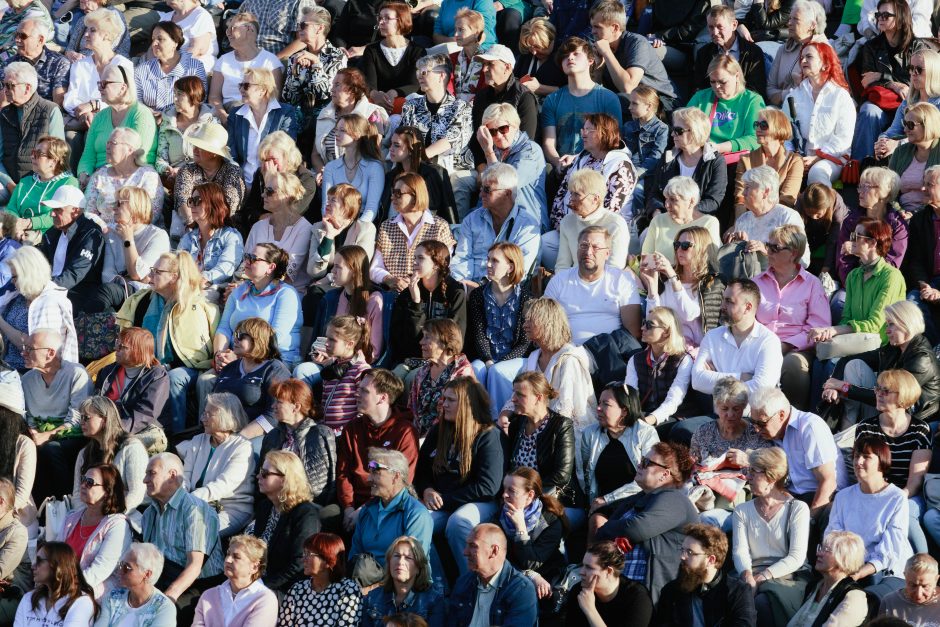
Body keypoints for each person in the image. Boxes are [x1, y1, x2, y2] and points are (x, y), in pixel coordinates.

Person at [115, 251, 218, 434]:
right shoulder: (142, 301)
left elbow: (197, 352)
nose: (150, 275)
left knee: (174, 377)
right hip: (149, 363)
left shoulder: (194, 305)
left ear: (173, 277)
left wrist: (164, 367)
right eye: (152, 270)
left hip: (189, 367)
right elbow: (130, 337)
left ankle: (175, 435)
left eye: (157, 272)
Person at [415, 377, 504, 577]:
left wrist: (444, 500)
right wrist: (427, 490)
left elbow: (488, 487)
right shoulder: (439, 430)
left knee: (459, 522)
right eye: (444, 398)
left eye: (450, 400)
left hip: (479, 502)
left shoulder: (488, 435)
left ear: (467, 404)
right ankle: (433, 584)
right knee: (417, 520)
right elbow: (421, 473)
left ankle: (470, 583)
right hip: (441, 501)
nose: (443, 404)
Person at [594, 441, 699, 603]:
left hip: (650, 595)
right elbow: (601, 534)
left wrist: (620, 533)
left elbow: (636, 529)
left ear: (665, 474)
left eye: (646, 462)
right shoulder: (638, 498)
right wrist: (620, 534)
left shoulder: (675, 499)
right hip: (620, 588)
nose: (639, 464)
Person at [852, 370, 932, 554]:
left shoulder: (920, 430)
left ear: (903, 396)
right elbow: (862, 471)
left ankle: (923, 564)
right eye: (877, 389)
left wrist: (897, 497)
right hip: (873, 492)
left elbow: (916, 480)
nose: (878, 394)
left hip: (908, 495)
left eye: (885, 391)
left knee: (906, 514)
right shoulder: (866, 428)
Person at [824, 301, 940, 426]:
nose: (886, 331)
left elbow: (892, 398)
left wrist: (843, 387)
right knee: (855, 365)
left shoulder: (922, 358)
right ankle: (848, 428)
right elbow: (847, 359)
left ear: (906, 324)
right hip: (886, 410)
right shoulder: (895, 348)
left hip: (910, 421)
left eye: (891, 325)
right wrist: (833, 386)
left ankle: (853, 434)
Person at [733, 447, 812, 627]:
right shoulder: (742, 510)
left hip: (788, 577)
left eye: (754, 471)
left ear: (772, 477)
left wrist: (761, 578)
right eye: (748, 470)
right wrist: (747, 576)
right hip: (749, 574)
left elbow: (797, 557)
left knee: (760, 603)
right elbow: (740, 551)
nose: (748, 476)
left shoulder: (797, 508)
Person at [754, 225, 831, 410]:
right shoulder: (755, 282)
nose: (768, 251)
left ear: (793, 253)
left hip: (796, 348)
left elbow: (819, 326)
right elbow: (747, 317)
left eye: (775, 248)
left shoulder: (812, 284)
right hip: (759, 344)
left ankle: (792, 414)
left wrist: (786, 345)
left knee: (793, 366)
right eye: (768, 245)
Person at [141, 452, 224, 618]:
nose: (145, 480)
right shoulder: (149, 513)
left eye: (152, 473)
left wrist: (167, 598)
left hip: (199, 584)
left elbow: (194, 565)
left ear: (171, 476)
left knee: (161, 615)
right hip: (163, 576)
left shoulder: (195, 510)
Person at [827, 436, 911, 596]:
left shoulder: (896, 498)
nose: (858, 462)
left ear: (881, 462)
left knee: (866, 598)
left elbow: (891, 551)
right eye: (857, 456)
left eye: (866, 457)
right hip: (848, 567)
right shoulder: (843, 496)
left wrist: (857, 574)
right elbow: (832, 537)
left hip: (886, 572)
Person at [495, 297, 596, 429]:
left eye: (530, 320)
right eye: (525, 320)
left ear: (547, 323)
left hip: (565, 433)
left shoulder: (569, 360)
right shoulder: (533, 358)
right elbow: (517, 394)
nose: (525, 325)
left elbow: (565, 411)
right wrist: (504, 415)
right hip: (535, 426)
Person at [338, 369, 419, 530]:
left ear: (383, 398)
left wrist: (364, 511)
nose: (356, 394)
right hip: (352, 505)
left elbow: (401, 481)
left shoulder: (405, 432)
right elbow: (343, 473)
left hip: (387, 505)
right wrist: (348, 508)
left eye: (364, 391)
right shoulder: (352, 428)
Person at [750, 387, 846, 521]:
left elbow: (828, 481)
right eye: (753, 422)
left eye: (761, 423)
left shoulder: (810, 427)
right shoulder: (768, 434)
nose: (756, 428)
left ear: (781, 415)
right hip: (792, 496)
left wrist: (809, 521)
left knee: (827, 517)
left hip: (825, 496)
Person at [812, 218, 907, 350]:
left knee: (830, 363)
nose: (851, 240)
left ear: (872, 243)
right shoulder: (853, 276)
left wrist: (835, 330)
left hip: (880, 346)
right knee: (821, 356)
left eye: (856, 236)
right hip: (856, 340)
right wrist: (831, 332)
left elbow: (875, 326)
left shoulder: (891, 276)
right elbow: (846, 318)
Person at [22, 329, 93, 505]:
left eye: (30, 349)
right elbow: (29, 416)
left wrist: (46, 435)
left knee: (51, 449)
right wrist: (33, 433)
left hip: (71, 433)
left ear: (50, 353)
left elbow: (76, 419)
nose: (23, 352)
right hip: (39, 433)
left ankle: (66, 503)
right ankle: (33, 508)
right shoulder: (27, 379)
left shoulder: (76, 374)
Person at [582, 382, 660, 540]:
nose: (598, 408)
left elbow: (649, 479)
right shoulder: (590, 433)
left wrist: (607, 499)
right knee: (597, 523)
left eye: (606, 404)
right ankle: (589, 564)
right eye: (599, 403)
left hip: (635, 500)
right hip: (601, 503)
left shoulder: (645, 433)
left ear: (624, 410)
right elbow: (583, 473)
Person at [689, 378, 771, 528]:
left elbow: (770, 473)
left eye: (736, 409)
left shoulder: (756, 435)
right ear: (716, 407)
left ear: (744, 407)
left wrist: (748, 460)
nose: (731, 415)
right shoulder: (703, 432)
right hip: (705, 491)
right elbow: (693, 464)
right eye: (725, 409)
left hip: (740, 497)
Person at [851, 0, 925, 162]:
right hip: (882, 103)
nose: (880, 18)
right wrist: (892, 83)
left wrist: (881, 76)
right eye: (878, 15)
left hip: (910, 103)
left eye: (886, 15)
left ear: (900, 18)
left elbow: (915, 82)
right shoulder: (871, 47)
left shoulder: (917, 46)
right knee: (868, 111)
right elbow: (867, 81)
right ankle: (859, 165)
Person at [212, 243, 301, 376]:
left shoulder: (286, 294)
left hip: (274, 361)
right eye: (247, 256)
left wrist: (241, 359)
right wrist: (219, 356)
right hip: (236, 358)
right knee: (205, 380)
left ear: (270, 267)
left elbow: (274, 338)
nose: (247, 261)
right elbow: (224, 328)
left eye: (254, 258)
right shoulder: (239, 291)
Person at [544, 226, 642, 344]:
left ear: (607, 254)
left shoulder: (621, 280)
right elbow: (546, 323)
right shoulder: (559, 280)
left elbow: (633, 332)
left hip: (610, 353)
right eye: (584, 246)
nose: (588, 252)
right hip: (568, 353)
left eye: (596, 247)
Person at [177, 392, 256, 537]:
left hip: (230, 509)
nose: (203, 419)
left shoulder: (242, 447)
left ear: (224, 417)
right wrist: (180, 497)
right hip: (196, 503)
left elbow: (224, 485)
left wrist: (187, 500)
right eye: (203, 413)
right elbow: (185, 476)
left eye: (208, 414)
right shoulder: (198, 440)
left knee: (197, 532)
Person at [451, 163, 540, 285]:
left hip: (505, 291)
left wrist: (483, 288)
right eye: (481, 188)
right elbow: (462, 258)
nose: (481, 194)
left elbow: (520, 269)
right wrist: (462, 286)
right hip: (469, 287)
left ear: (507, 193)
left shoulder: (527, 226)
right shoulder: (471, 220)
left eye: (487, 190)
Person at [540, 38, 620, 174]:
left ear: (590, 60)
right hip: (562, 168)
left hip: (597, 169)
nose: (570, 57)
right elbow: (549, 142)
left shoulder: (608, 98)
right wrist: (557, 162)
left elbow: (614, 142)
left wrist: (578, 159)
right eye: (565, 56)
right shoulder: (552, 100)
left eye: (576, 54)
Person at [691, 278, 784, 396]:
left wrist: (715, 378)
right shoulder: (711, 337)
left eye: (729, 301)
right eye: (723, 300)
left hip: (755, 414)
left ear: (748, 307)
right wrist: (741, 377)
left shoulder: (769, 342)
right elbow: (697, 380)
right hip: (719, 414)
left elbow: (761, 389)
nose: (722, 306)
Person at [548, 111, 634, 236]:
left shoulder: (621, 165)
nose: (583, 134)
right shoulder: (582, 159)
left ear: (604, 133)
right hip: (569, 230)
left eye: (589, 130)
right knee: (543, 244)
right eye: (583, 129)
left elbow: (612, 208)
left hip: (604, 235)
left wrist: (581, 231)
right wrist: (561, 225)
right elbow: (561, 195)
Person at [248, 450, 321, 598]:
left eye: (265, 473)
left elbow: (299, 564)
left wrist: (262, 586)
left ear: (285, 479)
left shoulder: (305, 514)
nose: (258, 476)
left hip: (287, 590)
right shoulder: (265, 507)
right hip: (258, 581)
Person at [783, 41, 856, 185]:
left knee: (817, 173)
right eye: (802, 57)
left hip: (831, 158)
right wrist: (793, 157)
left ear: (825, 64)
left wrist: (817, 158)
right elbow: (784, 133)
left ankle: (827, 207)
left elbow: (843, 138)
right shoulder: (793, 96)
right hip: (797, 158)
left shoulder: (840, 96)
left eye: (809, 57)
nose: (803, 60)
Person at [466, 243, 533, 400]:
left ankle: (497, 420)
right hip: (486, 357)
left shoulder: (525, 298)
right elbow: (479, 334)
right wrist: (488, 360)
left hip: (516, 358)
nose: (488, 264)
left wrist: (501, 363)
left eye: (494, 261)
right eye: (488, 259)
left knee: (498, 371)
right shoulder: (478, 295)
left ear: (510, 267)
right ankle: (475, 418)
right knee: (475, 369)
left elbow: (525, 342)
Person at [641, 228, 725, 352]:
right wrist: (652, 286)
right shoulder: (666, 279)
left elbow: (689, 314)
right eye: (677, 245)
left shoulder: (712, 281)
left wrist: (673, 277)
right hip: (666, 348)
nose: (679, 249)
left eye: (686, 245)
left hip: (697, 350)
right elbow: (653, 318)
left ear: (702, 249)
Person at [657, 522, 757, 625]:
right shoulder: (670, 591)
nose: (682, 556)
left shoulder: (738, 592)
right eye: (682, 550)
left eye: (690, 552)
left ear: (711, 560)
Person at [349, 448, 433, 571]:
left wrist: (376, 587)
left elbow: (412, 567)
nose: (368, 479)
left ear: (396, 476)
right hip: (365, 583)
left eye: (376, 472)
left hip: (403, 587)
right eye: (370, 472)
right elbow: (354, 557)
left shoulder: (416, 514)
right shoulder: (367, 511)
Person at [464, 101, 544, 228]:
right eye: (492, 132)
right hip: (496, 217)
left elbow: (504, 184)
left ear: (515, 126)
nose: (499, 136)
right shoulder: (497, 152)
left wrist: (488, 152)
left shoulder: (530, 151)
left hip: (527, 222)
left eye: (503, 129)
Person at [61, 8, 133, 149]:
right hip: (82, 121)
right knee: (70, 138)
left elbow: (124, 100)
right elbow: (70, 99)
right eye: (86, 30)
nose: (86, 35)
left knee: (94, 136)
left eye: (92, 30)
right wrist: (85, 112)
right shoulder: (80, 64)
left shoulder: (123, 64)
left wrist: (94, 105)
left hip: (113, 121)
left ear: (106, 35)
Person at [370, 173, 455, 291]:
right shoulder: (386, 227)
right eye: (393, 192)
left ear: (415, 196)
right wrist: (389, 279)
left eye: (398, 193)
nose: (392, 197)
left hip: (427, 293)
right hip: (394, 295)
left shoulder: (440, 227)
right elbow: (375, 268)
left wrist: (415, 282)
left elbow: (444, 266)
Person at [76, 65, 158, 186]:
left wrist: (103, 175)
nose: (100, 88)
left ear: (123, 88)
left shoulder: (140, 114)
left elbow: (139, 154)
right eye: (99, 84)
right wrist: (84, 176)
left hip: (132, 178)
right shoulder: (99, 117)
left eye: (105, 84)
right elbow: (88, 156)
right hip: (97, 179)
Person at [388, 240, 466, 365]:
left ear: (436, 263)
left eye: (421, 258)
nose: (414, 262)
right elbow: (400, 338)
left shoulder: (455, 292)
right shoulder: (407, 294)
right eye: (414, 258)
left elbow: (456, 337)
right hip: (411, 360)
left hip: (444, 360)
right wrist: (416, 302)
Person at [260, 379, 336, 506]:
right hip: (275, 504)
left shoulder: (320, 434)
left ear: (296, 407)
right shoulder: (272, 436)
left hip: (308, 505)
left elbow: (321, 484)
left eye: (279, 402)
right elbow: (263, 475)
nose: (273, 406)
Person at [60, 463, 132, 598]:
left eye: (90, 482)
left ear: (107, 492)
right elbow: (55, 556)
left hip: (96, 595)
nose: (82, 485)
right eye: (83, 480)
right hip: (63, 588)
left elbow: (100, 571)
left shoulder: (117, 525)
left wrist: (64, 589)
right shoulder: (71, 518)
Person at [0, 245, 78, 367]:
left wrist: (1, 322)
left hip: (32, 373)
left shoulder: (50, 303)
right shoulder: (20, 297)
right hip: (8, 367)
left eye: (14, 277)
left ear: (28, 274)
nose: (12, 281)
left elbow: (34, 348)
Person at [505, 372, 575, 505]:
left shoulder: (561, 425)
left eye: (520, 394)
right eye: (514, 393)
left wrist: (526, 490)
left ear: (538, 398)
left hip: (549, 498)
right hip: (515, 497)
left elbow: (562, 475)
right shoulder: (516, 423)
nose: (513, 399)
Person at [589, 1, 676, 108]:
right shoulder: (601, 48)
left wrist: (607, 53)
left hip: (662, 103)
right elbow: (597, 94)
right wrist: (599, 69)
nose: (592, 32)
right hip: (634, 104)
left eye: (597, 27)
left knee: (617, 100)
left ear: (615, 28)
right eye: (592, 27)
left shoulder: (637, 43)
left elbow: (628, 88)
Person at [447, 523, 537, 626]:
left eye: (473, 546)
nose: (465, 552)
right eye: (467, 545)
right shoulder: (463, 583)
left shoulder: (521, 590)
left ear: (494, 551)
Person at [500, 466, 568, 600]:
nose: (504, 495)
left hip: (545, 579)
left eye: (511, 491)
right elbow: (498, 559)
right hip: (515, 575)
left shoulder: (551, 522)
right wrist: (530, 575)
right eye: (504, 489)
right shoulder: (501, 515)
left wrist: (520, 528)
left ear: (530, 495)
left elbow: (531, 563)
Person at [213, 317, 290, 435]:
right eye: (235, 334)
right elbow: (211, 404)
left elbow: (274, 414)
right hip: (219, 434)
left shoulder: (274, 370)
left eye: (240, 335)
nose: (235, 339)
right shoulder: (229, 368)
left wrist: (240, 437)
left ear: (257, 339)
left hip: (255, 436)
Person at [687, 55, 765, 172]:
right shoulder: (701, 97)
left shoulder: (753, 100)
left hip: (736, 163)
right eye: (712, 81)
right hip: (702, 159)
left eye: (722, 82)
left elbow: (755, 138)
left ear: (737, 76)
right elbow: (682, 125)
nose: (717, 87)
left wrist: (719, 147)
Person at [645, 107, 727, 218]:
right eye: (672, 130)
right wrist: (658, 214)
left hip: (698, 223)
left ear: (694, 131)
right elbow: (655, 194)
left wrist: (684, 214)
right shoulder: (667, 158)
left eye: (678, 131)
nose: (672, 134)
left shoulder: (715, 161)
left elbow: (714, 200)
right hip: (667, 218)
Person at [72, 396, 147, 514]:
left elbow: (137, 493)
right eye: (81, 417)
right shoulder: (84, 453)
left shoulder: (131, 448)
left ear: (105, 420)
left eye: (86, 418)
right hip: (91, 517)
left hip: (124, 517)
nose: (82, 422)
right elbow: (77, 493)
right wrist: (86, 516)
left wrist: (112, 517)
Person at [400, 55, 473, 176]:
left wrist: (420, 158)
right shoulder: (411, 106)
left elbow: (451, 139)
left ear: (441, 76)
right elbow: (403, 137)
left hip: (452, 170)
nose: (419, 76)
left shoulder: (461, 107)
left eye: (424, 72)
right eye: (418, 72)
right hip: (415, 167)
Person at [835, 167, 908, 286]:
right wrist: (854, 285)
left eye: (866, 187)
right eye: (860, 186)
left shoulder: (897, 225)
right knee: (839, 301)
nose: (859, 191)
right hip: (854, 283)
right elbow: (844, 259)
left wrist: (869, 284)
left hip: (883, 284)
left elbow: (893, 263)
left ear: (885, 192)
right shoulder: (852, 221)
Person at [172, 122, 245, 242]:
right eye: (194, 145)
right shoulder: (187, 170)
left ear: (214, 153)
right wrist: (194, 223)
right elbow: (182, 200)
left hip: (225, 230)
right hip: (191, 228)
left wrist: (206, 226)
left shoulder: (232, 171)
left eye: (200, 147)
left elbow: (229, 206)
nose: (194, 150)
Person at [38, 184, 105, 314]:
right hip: (50, 290)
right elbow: (38, 256)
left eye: (58, 209)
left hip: (75, 297)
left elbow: (75, 274)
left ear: (75, 211)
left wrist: (43, 289)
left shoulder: (91, 234)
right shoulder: (55, 231)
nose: (52, 213)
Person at [547, 168, 630, 272]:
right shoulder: (567, 222)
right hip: (574, 282)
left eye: (577, 194)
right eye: (571, 193)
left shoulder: (616, 224)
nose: (571, 199)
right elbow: (562, 265)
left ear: (595, 199)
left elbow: (615, 268)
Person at [226, 68, 298, 186]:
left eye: (246, 86)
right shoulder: (235, 115)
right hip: (241, 181)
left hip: (274, 180)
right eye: (240, 85)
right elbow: (231, 153)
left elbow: (286, 151)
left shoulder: (285, 113)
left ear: (263, 90)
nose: (241, 90)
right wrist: (238, 182)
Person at [208, 12, 283, 126]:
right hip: (227, 115)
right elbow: (214, 97)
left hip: (258, 115)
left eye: (232, 28)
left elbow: (273, 99)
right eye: (227, 29)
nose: (227, 33)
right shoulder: (223, 60)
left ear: (249, 29)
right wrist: (224, 117)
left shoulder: (270, 61)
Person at [244, 171, 314, 291]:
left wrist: (251, 289)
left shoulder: (304, 229)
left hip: (287, 294)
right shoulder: (258, 226)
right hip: (253, 288)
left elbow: (286, 276)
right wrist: (239, 287)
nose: (263, 195)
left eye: (269, 191)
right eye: (265, 190)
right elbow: (245, 265)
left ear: (287, 196)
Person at [311, 69, 388, 177]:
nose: (331, 89)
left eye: (337, 85)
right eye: (332, 85)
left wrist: (342, 175)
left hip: (359, 176)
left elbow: (374, 154)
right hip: (328, 175)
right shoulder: (325, 114)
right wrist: (323, 171)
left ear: (352, 89)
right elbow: (315, 155)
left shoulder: (372, 113)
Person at [95, 327, 169, 438]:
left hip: (140, 432)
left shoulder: (157, 376)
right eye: (117, 344)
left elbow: (145, 415)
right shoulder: (107, 372)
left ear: (138, 351)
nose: (116, 349)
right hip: (106, 429)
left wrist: (115, 432)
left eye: (122, 347)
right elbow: (95, 405)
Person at [727, 165, 809, 267]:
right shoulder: (743, 220)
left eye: (747, 188)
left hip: (777, 280)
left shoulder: (787, 217)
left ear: (765, 192)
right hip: (748, 280)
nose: (743, 193)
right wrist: (738, 246)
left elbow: (803, 260)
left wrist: (767, 251)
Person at [0, 62, 64, 190]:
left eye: (10, 85)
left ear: (27, 88)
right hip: (8, 183)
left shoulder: (50, 110)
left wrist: (34, 186)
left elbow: (57, 157)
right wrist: (10, 185)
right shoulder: (4, 114)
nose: (4, 90)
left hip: (39, 183)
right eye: (3, 85)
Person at [99, 185, 170, 300]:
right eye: (114, 204)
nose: (114, 208)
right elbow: (107, 276)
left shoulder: (158, 236)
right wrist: (131, 279)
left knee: (106, 293)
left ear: (135, 207)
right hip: (116, 291)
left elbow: (138, 273)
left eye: (119, 204)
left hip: (146, 296)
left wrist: (128, 239)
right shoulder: (111, 234)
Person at [83, 128, 162, 229]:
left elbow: (150, 214)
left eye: (113, 143)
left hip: (137, 236)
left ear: (130, 149)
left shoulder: (148, 175)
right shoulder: (99, 175)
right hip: (102, 234)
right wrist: (104, 229)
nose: (107, 146)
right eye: (107, 142)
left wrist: (121, 231)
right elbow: (88, 211)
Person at [192, 534, 278, 626]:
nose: (228, 560)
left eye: (236, 557)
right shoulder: (208, 596)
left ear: (254, 567)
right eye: (228, 554)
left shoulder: (264, 599)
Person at [788, 530, 870, 627]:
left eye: (827, 550)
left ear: (844, 558)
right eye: (821, 548)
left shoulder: (854, 597)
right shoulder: (814, 587)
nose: (818, 553)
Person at [563, 540, 653, 627]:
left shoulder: (637, 598)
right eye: (582, 565)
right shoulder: (579, 591)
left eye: (589, 568)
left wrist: (590, 610)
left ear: (609, 571)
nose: (581, 572)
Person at [277, 532, 362, 625]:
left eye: (309, 554)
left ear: (328, 560)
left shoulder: (347, 590)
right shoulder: (297, 590)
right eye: (304, 553)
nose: (303, 559)